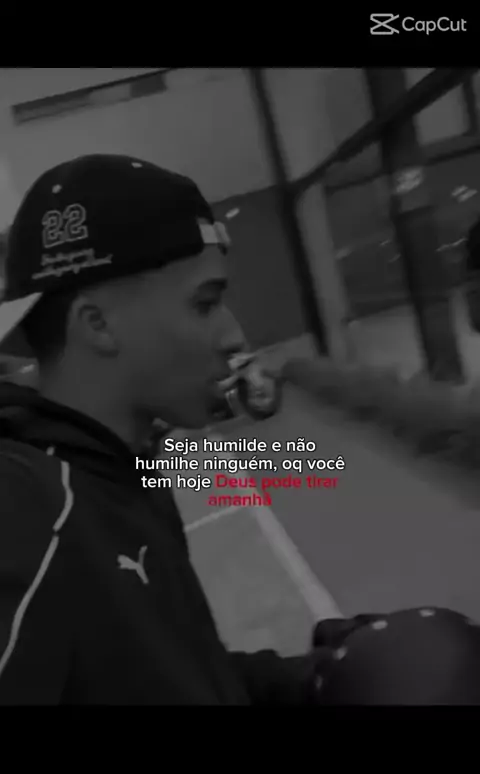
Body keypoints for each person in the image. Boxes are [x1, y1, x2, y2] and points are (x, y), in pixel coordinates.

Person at [0, 153, 480, 706]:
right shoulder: (23, 516)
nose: (234, 336)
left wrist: (321, 679)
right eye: (206, 304)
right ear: (98, 323)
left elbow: (176, 673)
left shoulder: (121, 469)